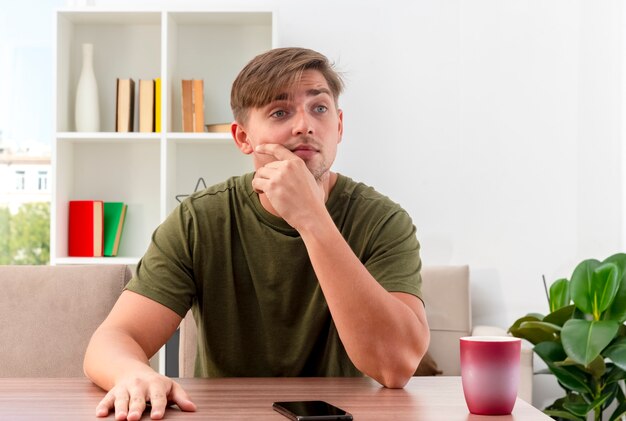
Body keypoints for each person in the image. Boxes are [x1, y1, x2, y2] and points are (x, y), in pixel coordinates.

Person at [84, 47, 430, 420]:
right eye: (280, 112)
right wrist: (135, 373)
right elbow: (111, 341)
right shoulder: (199, 220)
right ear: (243, 137)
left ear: (340, 126)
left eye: (319, 108)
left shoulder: (382, 221)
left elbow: (396, 366)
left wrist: (312, 219)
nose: (305, 126)